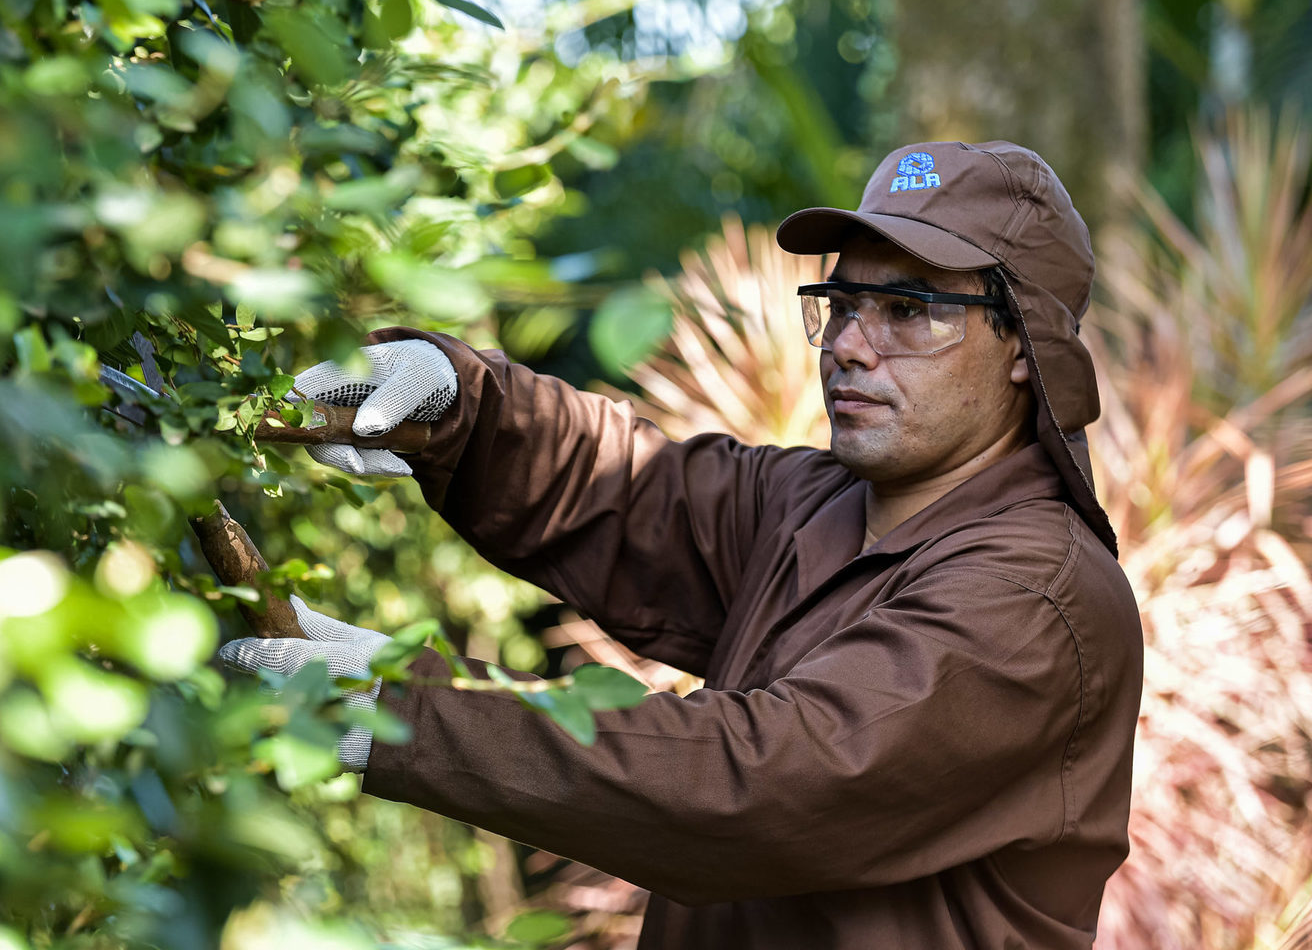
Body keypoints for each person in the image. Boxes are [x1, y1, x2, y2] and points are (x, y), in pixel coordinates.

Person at [218, 140, 1143, 948]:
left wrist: (407, 713)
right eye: (842, 302)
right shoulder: (815, 502)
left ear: (1024, 344)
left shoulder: (1038, 601)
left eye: (908, 309)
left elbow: (761, 787)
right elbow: (628, 489)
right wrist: (454, 401)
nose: (852, 346)